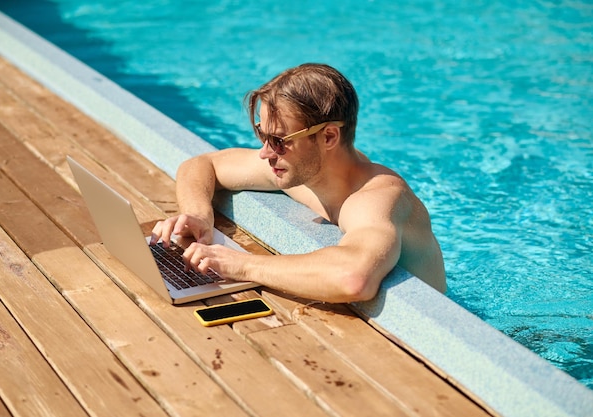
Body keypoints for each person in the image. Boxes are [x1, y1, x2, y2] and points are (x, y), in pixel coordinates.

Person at [151, 63, 446, 303]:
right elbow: (202, 164)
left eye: (279, 140)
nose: (266, 153)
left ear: (329, 137)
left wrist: (240, 265)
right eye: (262, 135)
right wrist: (199, 215)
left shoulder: (377, 197)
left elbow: (353, 279)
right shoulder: (297, 168)